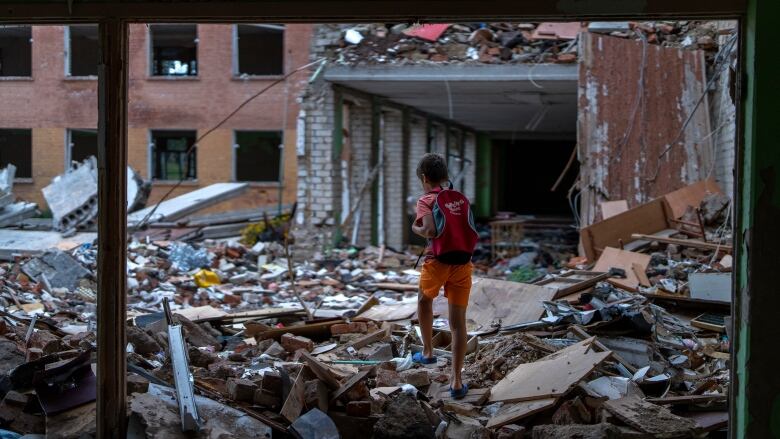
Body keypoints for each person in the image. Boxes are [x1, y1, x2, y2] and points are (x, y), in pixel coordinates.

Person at [411, 153, 478, 400]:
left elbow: (429, 229)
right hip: (463, 263)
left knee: (423, 301)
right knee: (458, 323)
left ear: (425, 178)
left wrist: (414, 228)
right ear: (445, 176)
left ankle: (428, 352)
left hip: (437, 262)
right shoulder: (460, 199)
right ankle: (457, 381)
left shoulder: (426, 200)